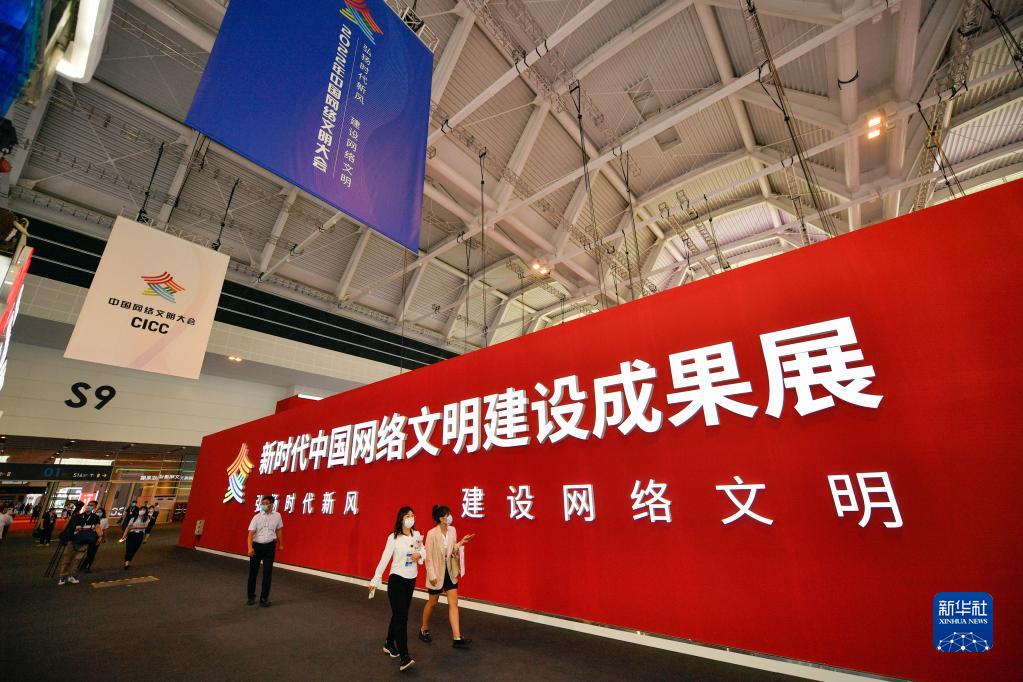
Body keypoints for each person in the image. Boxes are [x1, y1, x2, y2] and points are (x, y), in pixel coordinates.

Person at [370, 507, 423, 672]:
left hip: (411, 579)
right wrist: (376, 578)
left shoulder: (417, 534)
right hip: (397, 580)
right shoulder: (393, 537)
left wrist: (420, 555)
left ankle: (388, 643)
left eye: (413, 515)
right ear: (401, 518)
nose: (411, 518)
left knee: (400, 614)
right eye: (407, 516)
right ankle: (404, 656)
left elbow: (423, 550)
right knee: (402, 618)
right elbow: (384, 558)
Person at [420, 505, 475, 648]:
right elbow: (428, 557)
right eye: (447, 515)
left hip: (450, 572)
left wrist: (461, 543)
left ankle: (457, 637)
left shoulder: (453, 530)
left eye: (449, 514)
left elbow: (452, 550)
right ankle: (424, 628)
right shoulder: (432, 533)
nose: (450, 517)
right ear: (441, 518)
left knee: (453, 603)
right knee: (433, 602)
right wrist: (431, 575)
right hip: (436, 573)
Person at [247, 495, 283, 607]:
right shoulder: (256, 517)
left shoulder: (277, 516)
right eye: (262, 503)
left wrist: (281, 544)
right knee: (253, 573)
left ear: (272, 504)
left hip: (270, 547)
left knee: (267, 573)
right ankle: (251, 597)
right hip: (257, 547)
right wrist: (250, 548)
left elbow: (279, 530)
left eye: (266, 503)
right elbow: (250, 534)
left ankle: (264, 598)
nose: (264, 505)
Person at [56, 500, 101, 585]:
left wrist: (100, 537)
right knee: (67, 558)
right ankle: (63, 576)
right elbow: (68, 525)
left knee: (77, 560)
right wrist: (63, 533)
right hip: (73, 540)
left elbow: (98, 526)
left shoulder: (95, 517)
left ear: (95, 507)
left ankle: (72, 576)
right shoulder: (78, 516)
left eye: (92, 505)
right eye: (89, 504)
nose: (89, 506)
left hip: (85, 541)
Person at [119, 505, 149, 569]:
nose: (142, 511)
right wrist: (124, 536)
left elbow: (146, 526)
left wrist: (135, 527)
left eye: (144, 510)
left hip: (139, 535)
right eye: (141, 509)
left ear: (146, 511)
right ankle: (126, 563)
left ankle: (129, 560)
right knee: (129, 549)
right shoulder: (134, 518)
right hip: (131, 534)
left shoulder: (147, 519)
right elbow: (128, 527)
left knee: (134, 549)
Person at [80, 507, 109, 572]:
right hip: (89, 535)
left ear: (103, 513)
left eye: (100, 512)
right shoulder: (92, 517)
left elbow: (105, 529)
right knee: (85, 551)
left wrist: (105, 537)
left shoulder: (105, 520)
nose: (99, 513)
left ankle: (88, 566)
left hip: (97, 537)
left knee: (92, 552)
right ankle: (82, 565)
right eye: (97, 512)